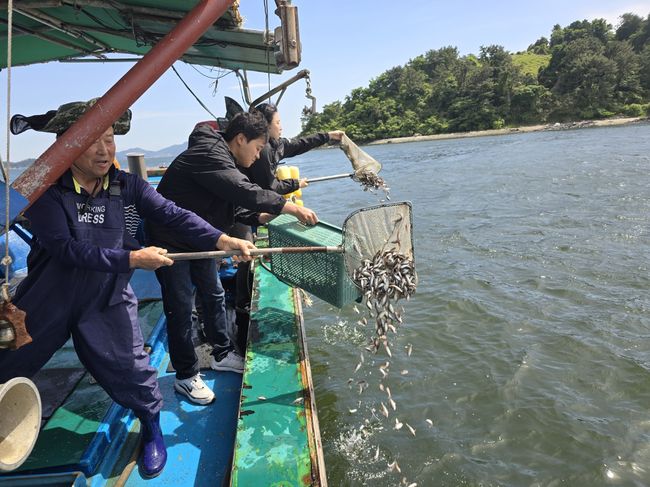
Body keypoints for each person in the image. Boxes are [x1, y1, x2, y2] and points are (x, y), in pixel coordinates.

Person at [0, 100, 255, 478]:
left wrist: (220, 238)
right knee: (8, 359)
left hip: (106, 296)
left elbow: (171, 213)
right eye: (93, 142)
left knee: (133, 369)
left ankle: (151, 429)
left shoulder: (125, 185)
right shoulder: (47, 191)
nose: (105, 150)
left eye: (109, 139)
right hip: (49, 295)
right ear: (67, 146)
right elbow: (65, 249)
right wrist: (132, 259)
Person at [147, 112, 318, 400]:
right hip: (169, 239)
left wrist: (263, 217)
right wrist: (292, 208)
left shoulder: (226, 160)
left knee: (214, 293)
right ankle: (185, 376)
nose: (258, 156)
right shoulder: (210, 154)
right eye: (257, 148)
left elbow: (235, 207)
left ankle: (222, 353)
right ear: (240, 139)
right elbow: (243, 191)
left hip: (198, 236)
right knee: (180, 305)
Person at [242, 102, 345, 194]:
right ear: (266, 126)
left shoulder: (276, 144)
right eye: (277, 123)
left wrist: (328, 135)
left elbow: (300, 144)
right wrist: (296, 184)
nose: (281, 127)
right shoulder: (263, 150)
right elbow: (269, 187)